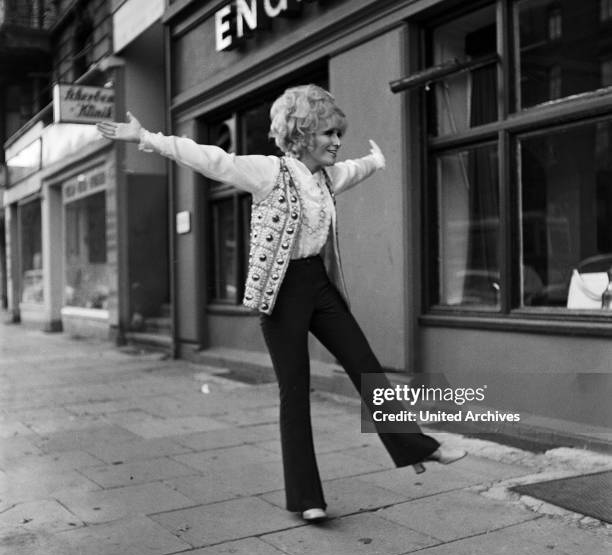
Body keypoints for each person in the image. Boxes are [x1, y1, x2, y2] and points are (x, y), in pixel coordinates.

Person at [97, 84, 466, 523]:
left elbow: (356, 168)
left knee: (366, 366)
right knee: (295, 392)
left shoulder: (327, 178)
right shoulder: (269, 172)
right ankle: (306, 497)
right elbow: (212, 158)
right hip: (281, 291)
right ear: (304, 133)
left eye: (338, 135)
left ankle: (416, 446)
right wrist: (147, 138)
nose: (335, 142)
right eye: (328, 133)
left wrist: (377, 159)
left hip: (319, 284)